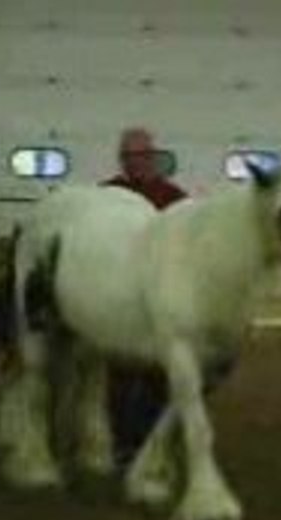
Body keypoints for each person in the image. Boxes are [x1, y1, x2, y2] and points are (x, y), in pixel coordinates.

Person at [100, 127, 188, 468]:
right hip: (120, 301)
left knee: (160, 376)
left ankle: (151, 441)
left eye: (145, 155)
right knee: (120, 375)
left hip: (162, 304)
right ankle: (123, 445)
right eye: (132, 156)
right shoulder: (107, 197)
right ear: (122, 160)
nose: (139, 162)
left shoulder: (174, 198)